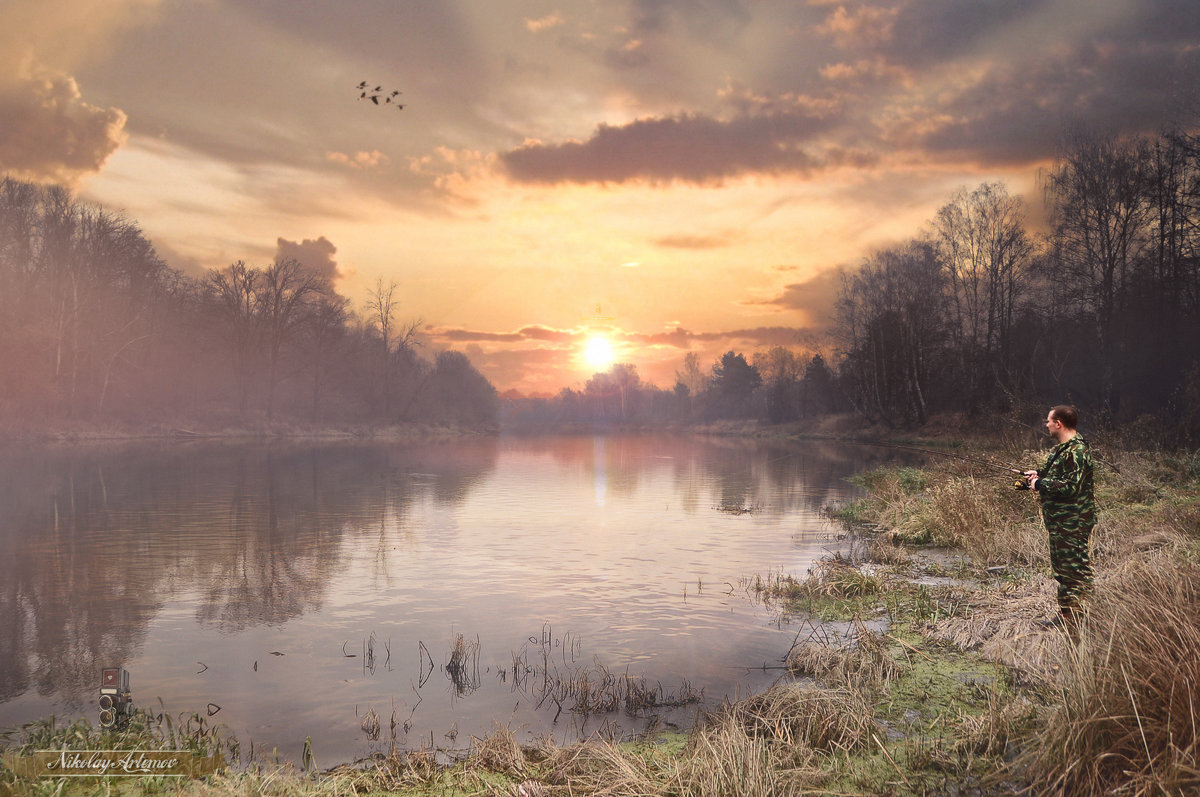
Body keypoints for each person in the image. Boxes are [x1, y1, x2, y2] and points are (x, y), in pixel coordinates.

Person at [1024, 405, 1096, 629]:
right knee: (1063, 570)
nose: (1046, 425)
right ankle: (1067, 617)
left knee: (1075, 570)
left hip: (1073, 522)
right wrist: (1037, 475)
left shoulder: (1077, 451)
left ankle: (1079, 619)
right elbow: (1054, 475)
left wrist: (1041, 484)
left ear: (1059, 424)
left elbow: (1071, 487)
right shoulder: (1061, 450)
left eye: (1048, 421)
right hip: (1059, 523)